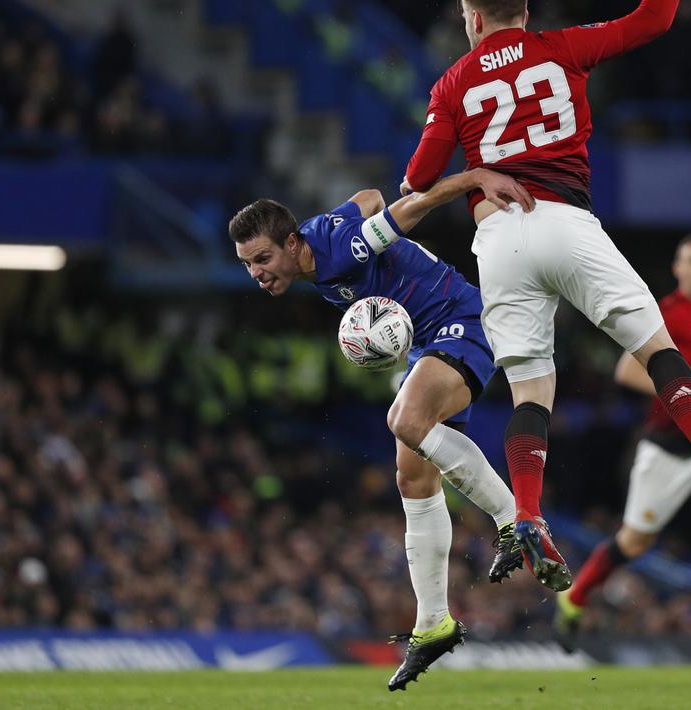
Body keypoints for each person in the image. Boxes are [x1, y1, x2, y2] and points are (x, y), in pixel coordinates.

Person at [402, 0, 691, 592]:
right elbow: (654, 18)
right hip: (566, 222)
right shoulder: (563, 47)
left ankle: (526, 511)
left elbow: (418, 178)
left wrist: (459, 176)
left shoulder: (453, 81)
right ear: (523, 9)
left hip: (497, 237)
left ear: (471, 18)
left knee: (530, 394)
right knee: (656, 348)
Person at [229, 168, 534, 691]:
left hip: (462, 322)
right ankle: (433, 622)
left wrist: (474, 179)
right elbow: (369, 196)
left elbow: (412, 207)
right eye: (247, 264)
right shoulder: (319, 244)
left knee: (405, 420)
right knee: (413, 479)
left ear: (292, 242)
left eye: (262, 258)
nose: (256, 272)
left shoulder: (342, 249)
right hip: (426, 344)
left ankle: (517, 519)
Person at [553, 234, 691, 666]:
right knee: (634, 543)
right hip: (665, 451)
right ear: (677, 270)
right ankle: (573, 600)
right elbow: (627, 371)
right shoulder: (670, 313)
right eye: (690, 261)